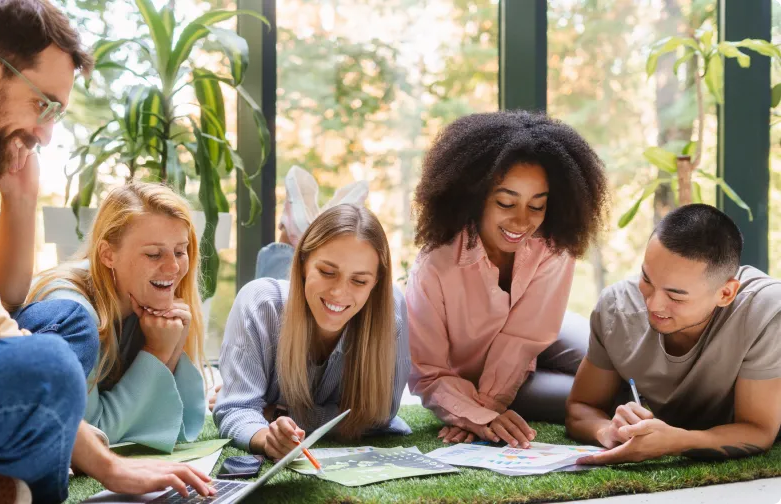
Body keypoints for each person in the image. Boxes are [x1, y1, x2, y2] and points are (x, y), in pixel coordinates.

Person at [0, 0, 213, 502]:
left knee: (57, 333)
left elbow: (0, 299)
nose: (46, 133)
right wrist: (107, 465)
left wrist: (20, 197)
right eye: (44, 105)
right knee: (48, 364)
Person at [407, 111, 609, 448]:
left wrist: (483, 411)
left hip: (537, 339)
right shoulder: (435, 266)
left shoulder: (553, 244)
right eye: (505, 202)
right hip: (475, 378)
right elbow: (428, 371)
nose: (521, 221)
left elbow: (526, 334)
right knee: (599, 398)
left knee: (615, 364)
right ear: (475, 198)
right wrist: (475, 412)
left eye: (537, 206)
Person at [566, 204, 781, 465]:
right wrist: (607, 430)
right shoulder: (617, 307)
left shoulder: (764, 311)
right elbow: (580, 407)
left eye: (675, 295)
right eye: (646, 279)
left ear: (726, 293)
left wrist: (676, 441)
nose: (653, 305)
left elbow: (758, 430)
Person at [212, 204, 412, 460]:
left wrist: (280, 414)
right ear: (303, 262)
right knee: (273, 272)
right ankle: (289, 231)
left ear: (376, 283)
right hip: (285, 304)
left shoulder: (390, 311)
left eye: (359, 281)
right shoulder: (259, 303)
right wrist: (267, 437)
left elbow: (378, 415)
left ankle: (297, 223)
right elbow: (235, 409)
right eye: (327, 272)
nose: (339, 292)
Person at [28, 182, 209, 453]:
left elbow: (179, 424)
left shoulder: (145, 302)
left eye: (180, 251)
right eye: (153, 254)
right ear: (108, 254)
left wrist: (171, 346)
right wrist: (157, 352)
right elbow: (91, 436)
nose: (173, 267)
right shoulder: (70, 314)